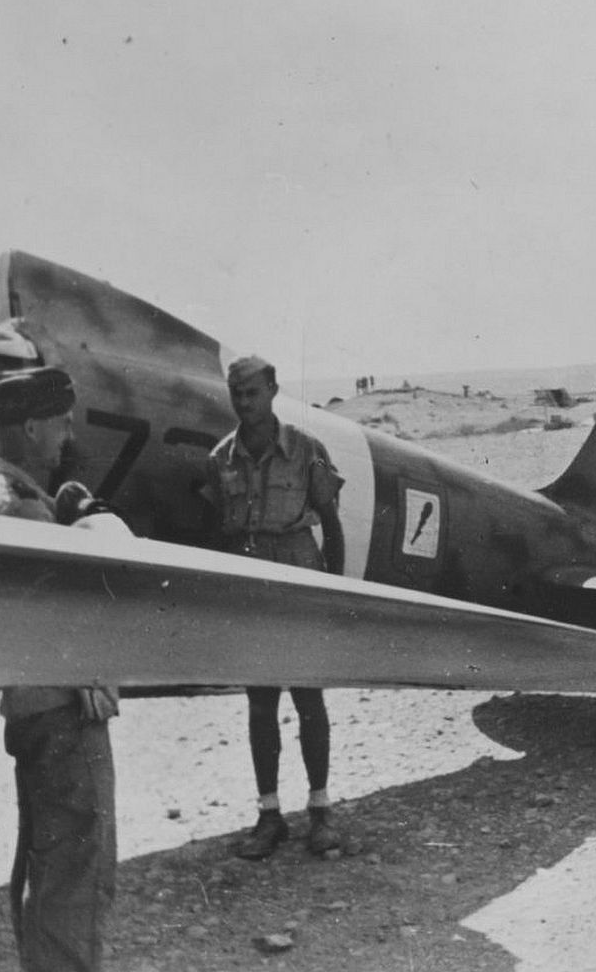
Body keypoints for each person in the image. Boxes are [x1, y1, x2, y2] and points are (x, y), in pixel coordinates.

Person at [0, 366, 118, 972]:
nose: (67, 436)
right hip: (63, 715)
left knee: (46, 869)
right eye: (60, 423)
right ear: (31, 426)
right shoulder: (20, 510)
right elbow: (74, 619)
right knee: (76, 878)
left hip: (33, 710)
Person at [203, 355, 346, 861]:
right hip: (251, 584)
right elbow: (216, 532)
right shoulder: (221, 459)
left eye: (253, 393)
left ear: (273, 391)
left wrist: (335, 593)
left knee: (309, 700)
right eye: (237, 394)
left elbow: (331, 523)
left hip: (299, 576)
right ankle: (269, 816)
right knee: (261, 705)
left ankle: (321, 811)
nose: (245, 403)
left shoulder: (307, 450)